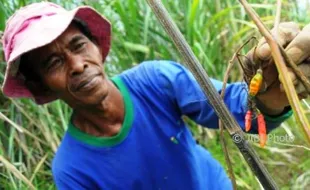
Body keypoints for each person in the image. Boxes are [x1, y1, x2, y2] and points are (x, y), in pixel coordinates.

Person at [1, 2, 309, 190]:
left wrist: (272, 93)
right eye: (54, 63)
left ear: (96, 46)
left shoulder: (155, 81)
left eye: (79, 45)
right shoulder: (72, 170)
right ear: (41, 86)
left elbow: (233, 111)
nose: (77, 65)